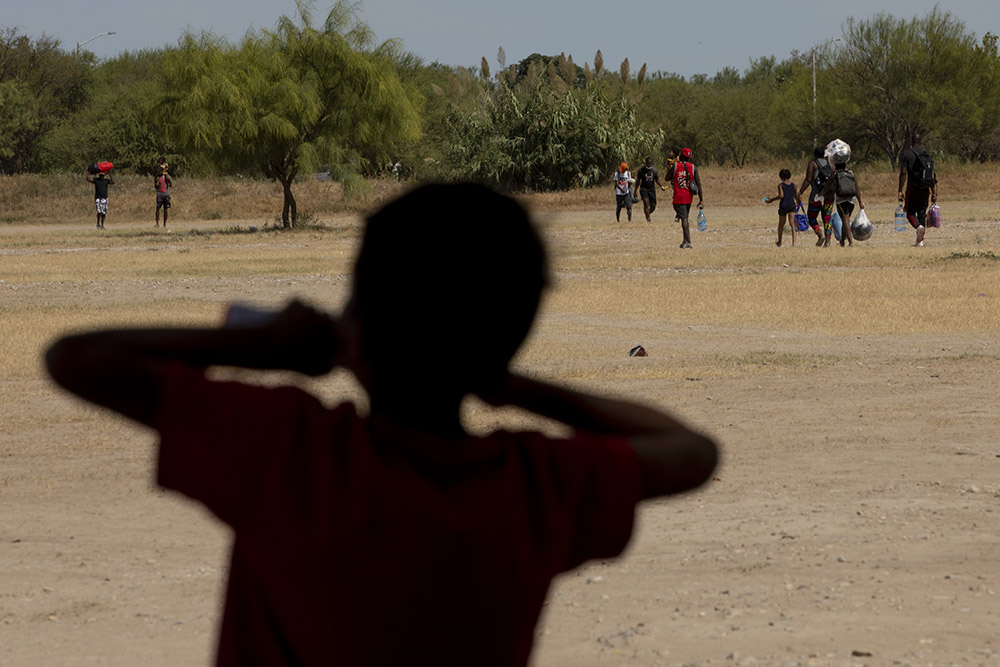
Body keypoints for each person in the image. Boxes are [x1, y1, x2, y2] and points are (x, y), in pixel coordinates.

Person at [45, 183, 719, 667]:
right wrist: (503, 381)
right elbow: (689, 449)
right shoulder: (534, 484)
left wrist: (262, 347)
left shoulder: (291, 451)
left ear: (358, 325)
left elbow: (76, 359)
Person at [898, 133, 939, 247]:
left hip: (913, 188)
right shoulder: (926, 155)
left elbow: (903, 173)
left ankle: (918, 227)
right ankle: (920, 242)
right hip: (925, 188)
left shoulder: (906, 154)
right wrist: (934, 192)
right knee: (922, 212)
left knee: (909, 211)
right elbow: (932, 176)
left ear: (911, 141)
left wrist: (900, 190)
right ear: (920, 142)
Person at [819, 161, 865, 247]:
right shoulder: (851, 173)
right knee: (845, 220)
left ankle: (850, 242)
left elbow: (827, 187)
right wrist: (860, 202)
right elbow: (857, 189)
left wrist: (820, 194)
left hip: (841, 200)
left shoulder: (835, 174)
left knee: (845, 220)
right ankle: (842, 241)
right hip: (852, 200)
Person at [665, 148, 703, 248]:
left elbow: (667, 178)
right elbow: (698, 184)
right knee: (685, 217)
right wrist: (701, 199)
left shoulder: (676, 166)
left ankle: (688, 241)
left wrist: (670, 167)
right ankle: (685, 240)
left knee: (684, 219)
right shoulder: (693, 167)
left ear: (681, 156)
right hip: (688, 197)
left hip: (679, 196)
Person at [796, 147, 833, 246]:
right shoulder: (829, 164)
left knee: (811, 217)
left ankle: (820, 234)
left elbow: (808, 179)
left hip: (816, 196)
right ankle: (828, 241)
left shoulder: (813, 163)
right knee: (827, 218)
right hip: (829, 196)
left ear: (815, 154)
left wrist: (800, 192)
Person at [765, 168, 801, 247]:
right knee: (792, 224)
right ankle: (794, 242)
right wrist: (798, 203)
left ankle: (780, 242)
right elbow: (796, 196)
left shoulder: (780, 185)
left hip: (784, 205)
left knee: (781, 224)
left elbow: (781, 196)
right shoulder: (793, 185)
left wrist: (772, 199)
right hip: (792, 205)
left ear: (781, 177)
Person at [635, 156, 666, 222]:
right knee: (646, 203)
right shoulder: (641, 171)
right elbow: (638, 181)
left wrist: (661, 186)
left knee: (653, 205)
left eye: (650, 163)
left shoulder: (654, 170)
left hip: (651, 189)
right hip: (644, 189)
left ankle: (647, 213)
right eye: (648, 163)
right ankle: (648, 219)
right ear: (645, 163)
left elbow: (657, 179)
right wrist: (635, 191)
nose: (649, 164)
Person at [154, 157, 173, 228]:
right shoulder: (157, 177)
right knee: (158, 208)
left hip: (165, 193)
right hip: (160, 193)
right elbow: (155, 185)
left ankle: (164, 224)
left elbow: (170, 183)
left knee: (165, 209)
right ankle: (157, 223)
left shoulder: (166, 176)